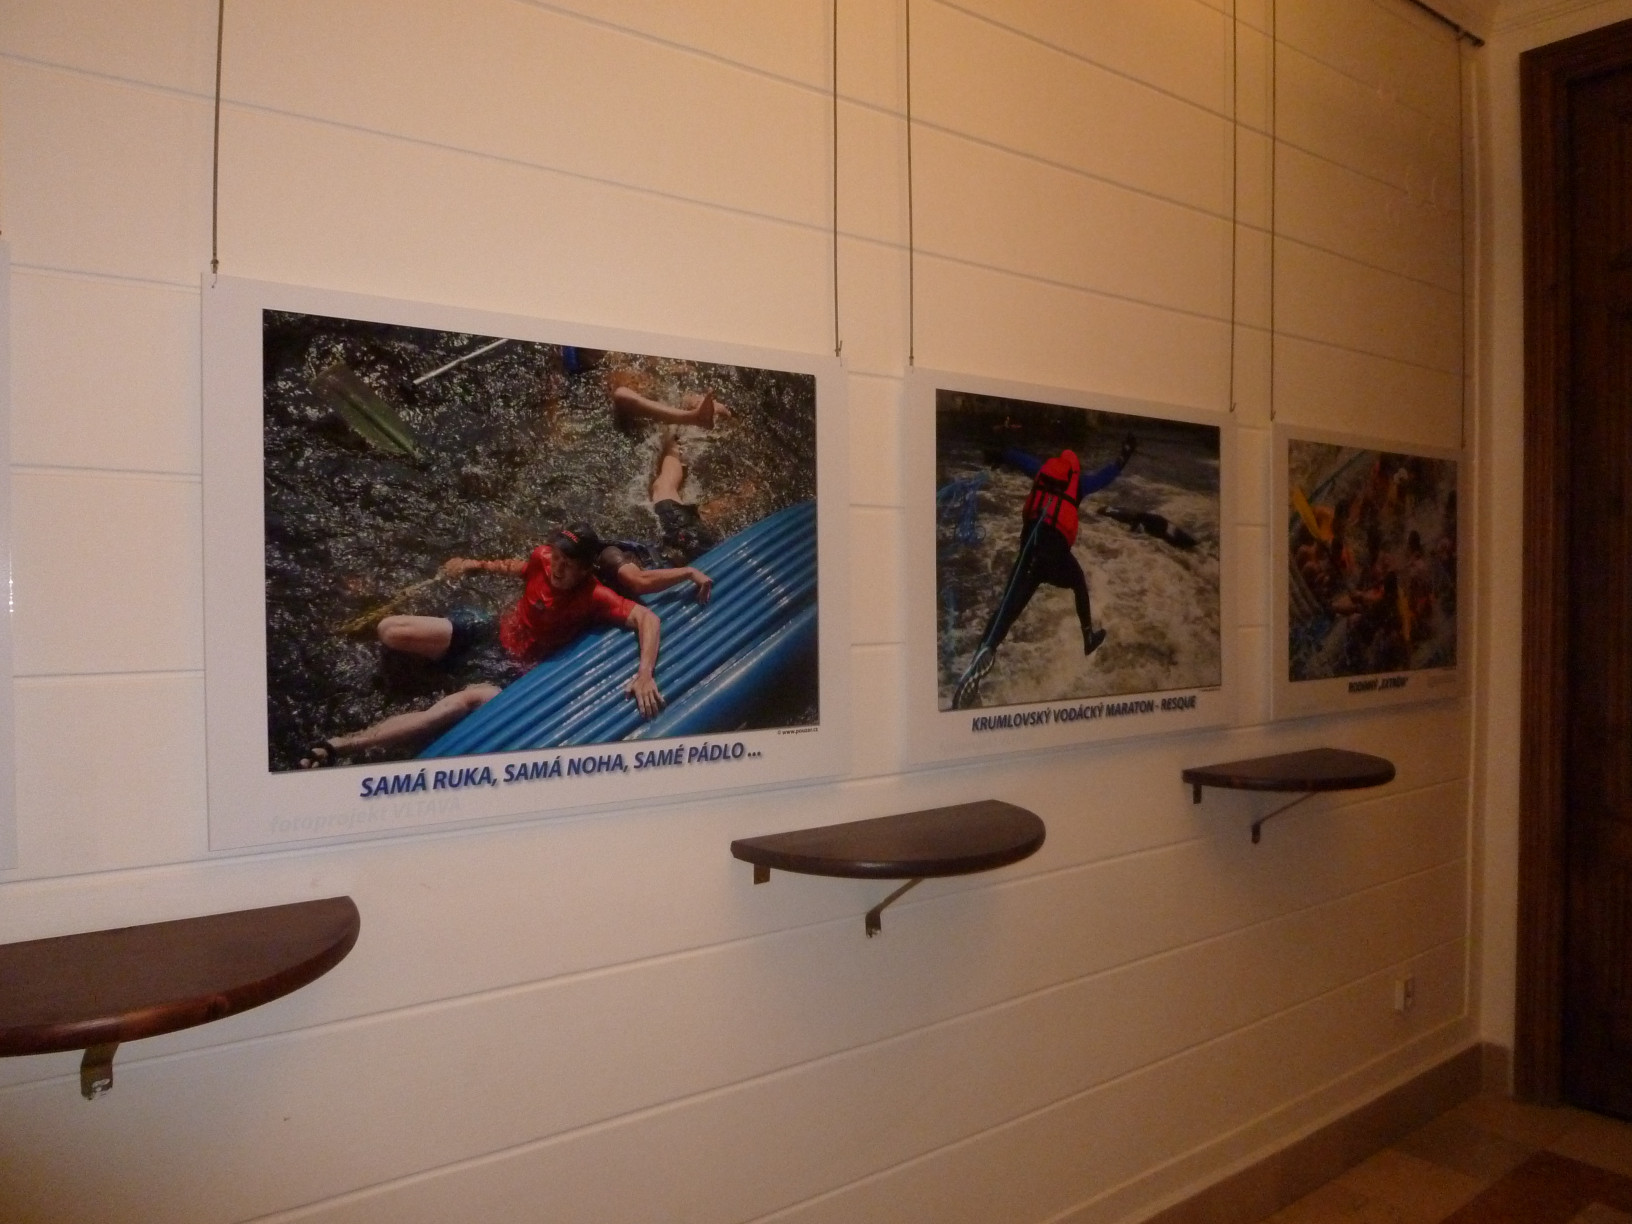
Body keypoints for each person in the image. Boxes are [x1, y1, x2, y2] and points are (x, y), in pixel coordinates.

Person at [302, 524, 663, 766]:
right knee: (390, 629)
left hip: (509, 672)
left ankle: (339, 745)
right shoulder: (543, 558)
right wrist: (475, 564)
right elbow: (520, 568)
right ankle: (426, 670)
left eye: (568, 564)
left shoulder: (594, 596)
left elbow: (648, 619)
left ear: (585, 570)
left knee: (450, 707)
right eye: (556, 557)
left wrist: (644, 674)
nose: (557, 567)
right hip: (487, 634)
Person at [952, 434, 1137, 709]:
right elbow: (1105, 476)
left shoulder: (1041, 471)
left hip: (1029, 556)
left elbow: (1017, 456)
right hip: (1055, 559)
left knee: (1005, 613)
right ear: (1074, 470)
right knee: (1078, 582)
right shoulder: (1079, 484)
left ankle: (979, 662)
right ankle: (1088, 636)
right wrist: (1124, 457)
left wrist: (997, 454)